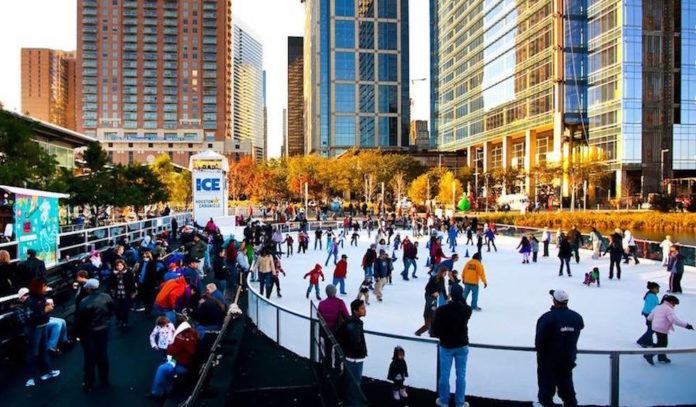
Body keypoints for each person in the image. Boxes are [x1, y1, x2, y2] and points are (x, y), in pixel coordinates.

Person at [535, 289, 584, 407]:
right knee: (567, 390)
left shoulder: (547, 318)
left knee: (546, 392)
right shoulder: (576, 317)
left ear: (554, 301)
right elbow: (580, 326)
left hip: (548, 361)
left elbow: (539, 341)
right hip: (567, 360)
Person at [431, 284, 472, 407]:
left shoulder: (442, 310)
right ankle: (460, 402)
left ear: (450, 295)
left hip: (446, 346)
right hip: (462, 345)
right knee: (461, 375)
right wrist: (459, 298)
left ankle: (444, 401)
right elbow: (465, 306)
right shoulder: (467, 310)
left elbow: (435, 331)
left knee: (444, 375)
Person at [75, 279, 114, 392]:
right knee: (103, 355)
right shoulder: (106, 297)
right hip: (103, 329)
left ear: (88, 289)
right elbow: (111, 310)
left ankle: (89, 383)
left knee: (89, 357)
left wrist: (76, 333)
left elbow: (79, 320)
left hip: (89, 332)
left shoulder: (84, 302)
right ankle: (104, 380)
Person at [147, 318, 199, 399]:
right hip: (187, 362)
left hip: (182, 364)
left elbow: (171, 351)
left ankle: (156, 393)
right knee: (165, 365)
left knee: (161, 368)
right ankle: (166, 388)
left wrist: (172, 346)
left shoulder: (181, 338)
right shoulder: (193, 334)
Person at [22, 278, 60, 387]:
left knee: (43, 350)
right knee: (33, 353)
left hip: (42, 326)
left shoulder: (40, 297)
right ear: (38, 287)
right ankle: (29, 377)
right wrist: (45, 311)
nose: (45, 288)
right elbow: (30, 316)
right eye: (43, 286)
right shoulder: (30, 301)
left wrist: (47, 309)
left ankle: (47, 372)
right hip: (34, 329)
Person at [645, 295, 694, 365]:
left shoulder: (659, 306)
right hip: (661, 328)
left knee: (662, 343)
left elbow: (650, 317)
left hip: (656, 327)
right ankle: (649, 355)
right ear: (671, 302)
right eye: (674, 304)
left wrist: (652, 321)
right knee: (662, 344)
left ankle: (661, 357)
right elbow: (674, 320)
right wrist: (686, 325)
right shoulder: (668, 309)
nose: (674, 306)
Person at [336, 299, 368, 405]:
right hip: (355, 359)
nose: (365, 310)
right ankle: (353, 403)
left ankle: (351, 401)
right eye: (362, 308)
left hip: (352, 357)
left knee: (351, 381)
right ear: (355, 311)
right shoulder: (354, 325)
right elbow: (355, 343)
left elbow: (340, 335)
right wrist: (362, 351)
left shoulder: (351, 322)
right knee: (355, 383)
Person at [108, 259, 136, 328]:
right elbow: (110, 283)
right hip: (117, 294)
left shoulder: (128, 273)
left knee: (125, 310)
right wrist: (111, 291)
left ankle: (124, 322)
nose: (119, 267)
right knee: (117, 309)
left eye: (120, 265)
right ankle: (119, 319)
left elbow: (132, 283)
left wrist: (133, 292)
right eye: (117, 266)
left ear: (123, 266)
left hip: (126, 294)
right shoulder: (113, 273)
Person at [134, 251, 158, 315]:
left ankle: (148, 309)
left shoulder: (152, 264)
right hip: (141, 282)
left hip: (149, 284)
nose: (145, 258)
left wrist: (154, 284)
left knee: (149, 297)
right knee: (143, 297)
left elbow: (154, 275)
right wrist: (136, 280)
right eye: (144, 257)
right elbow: (138, 272)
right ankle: (148, 307)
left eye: (147, 257)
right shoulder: (141, 263)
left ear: (150, 257)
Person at [636, 282, 660, 348]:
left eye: (658, 288)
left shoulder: (652, 295)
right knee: (651, 329)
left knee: (651, 328)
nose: (658, 290)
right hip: (649, 314)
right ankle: (641, 341)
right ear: (652, 289)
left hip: (649, 313)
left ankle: (649, 342)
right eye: (657, 288)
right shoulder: (651, 296)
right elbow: (651, 307)